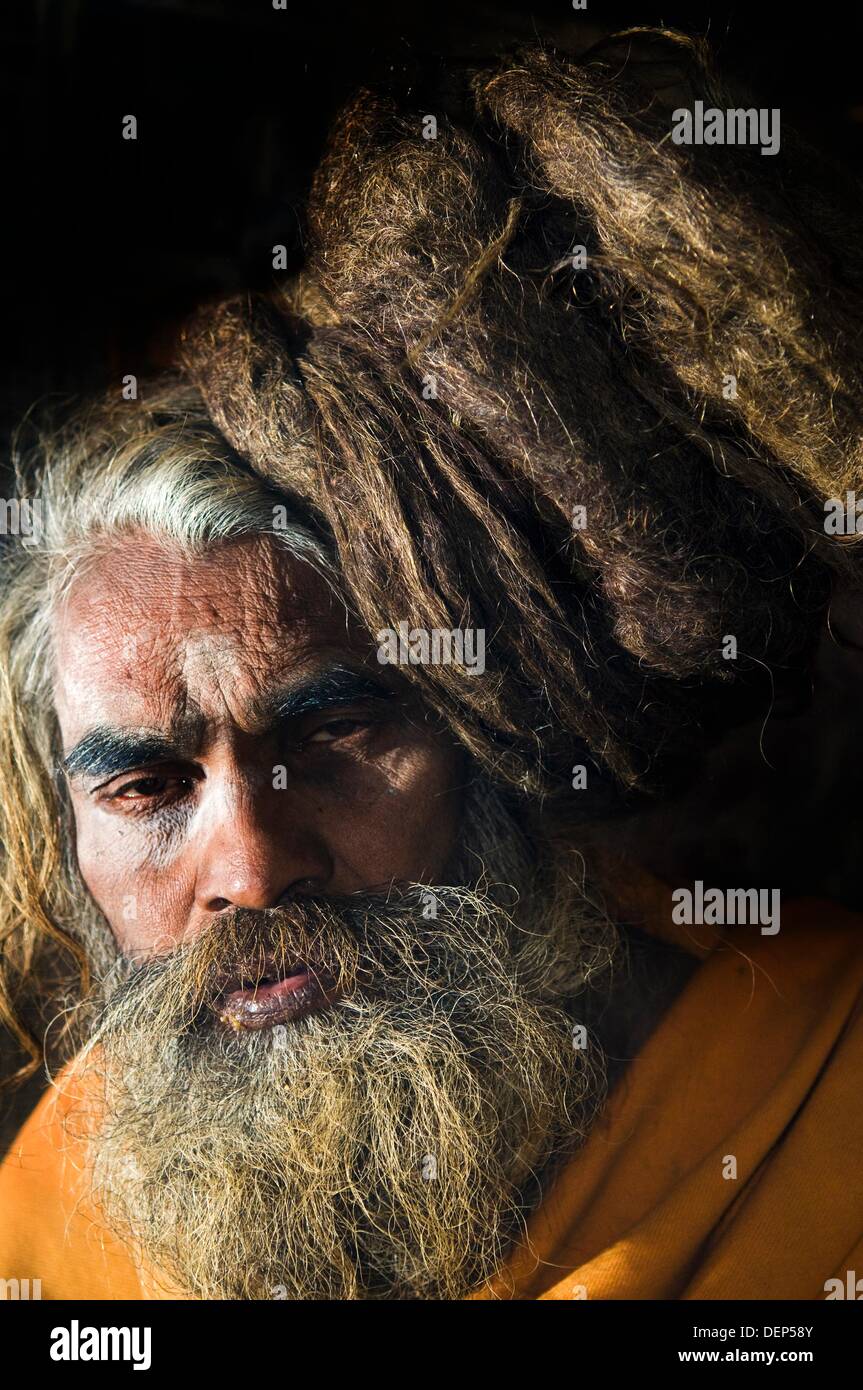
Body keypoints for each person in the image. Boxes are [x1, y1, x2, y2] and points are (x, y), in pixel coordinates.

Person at [0, 29, 862, 1300]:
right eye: (143, 789)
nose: (247, 866)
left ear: (485, 732)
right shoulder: (58, 1221)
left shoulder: (825, 1096)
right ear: (66, 827)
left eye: (334, 731)